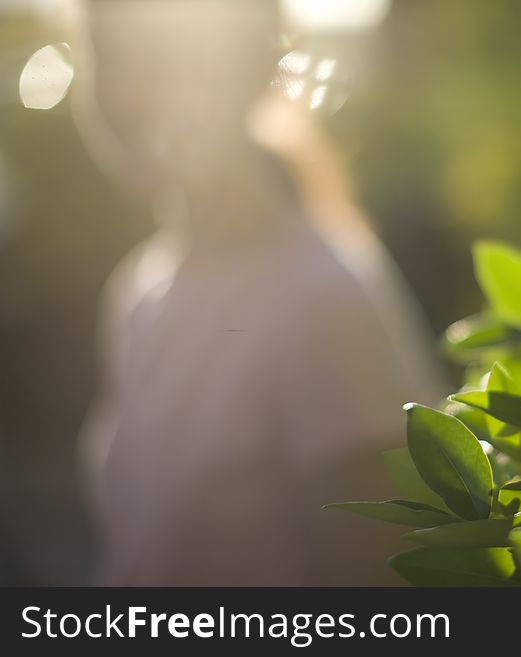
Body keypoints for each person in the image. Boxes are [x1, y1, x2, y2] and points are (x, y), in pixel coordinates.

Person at [70, 0, 445, 585]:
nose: (128, 96)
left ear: (246, 72)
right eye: (108, 58)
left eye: (164, 60)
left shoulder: (322, 300)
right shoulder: (137, 293)